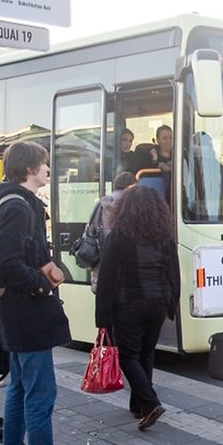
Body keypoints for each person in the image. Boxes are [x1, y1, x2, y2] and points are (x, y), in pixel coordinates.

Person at [0, 140, 95, 445]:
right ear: (31, 169)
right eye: (45, 164)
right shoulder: (18, 207)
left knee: (19, 388)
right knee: (40, 392)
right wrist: (41, 283)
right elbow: (6, 264)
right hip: (27, 313)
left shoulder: (6, 202)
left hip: (15, 313)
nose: (49, 169)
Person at [95, 185, 180, 431]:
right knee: (146, 353)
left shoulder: (119, 235)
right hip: (158, 303)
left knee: (127, 356)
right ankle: (139, 404)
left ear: (126, 209)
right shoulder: (164, 236)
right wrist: (171, 303)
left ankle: (150, 402)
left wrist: (102, 318)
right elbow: (173, 272)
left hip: (129, 304)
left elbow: (107, 279)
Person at [87, 171, 137, 292]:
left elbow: (89, 231)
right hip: (127, 275)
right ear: (131, 186)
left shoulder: (100, 205)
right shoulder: (134, 205)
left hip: (102, 271)